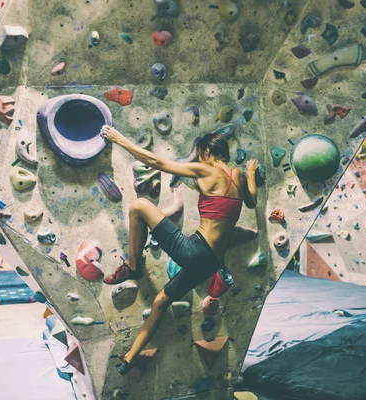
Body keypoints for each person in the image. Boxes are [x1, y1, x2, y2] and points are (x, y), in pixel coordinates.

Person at [99, 125, 258, 375]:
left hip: (193, 250)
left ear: (206, 152)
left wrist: (120, 139)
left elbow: (156, 162)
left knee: (139, 206)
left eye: (199, 153)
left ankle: (132, 266)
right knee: (162, 301)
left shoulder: (205, 169)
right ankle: (129, 358)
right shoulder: (237, 174)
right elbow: (251, 201)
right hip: (210, 262)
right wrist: (250, 173)